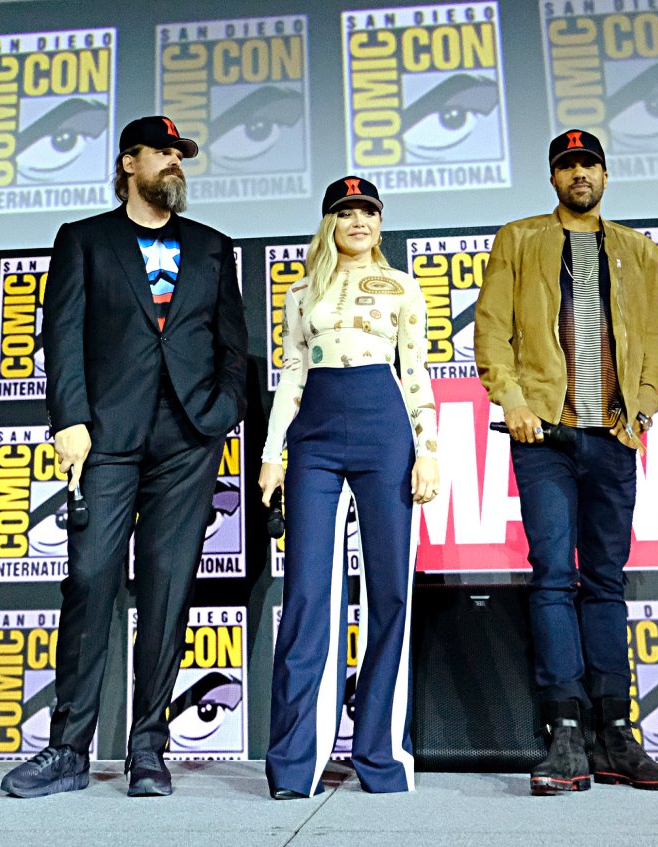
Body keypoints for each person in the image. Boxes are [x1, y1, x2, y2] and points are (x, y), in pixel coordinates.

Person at [0, 116, 248, 798]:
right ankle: (68, 749)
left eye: (180, 155)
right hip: (105, 435)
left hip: (188, 439)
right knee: (88, 581)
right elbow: (64, 333)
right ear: (128, 162)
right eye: (162, 153)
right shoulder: (84, 239)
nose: (175, 164)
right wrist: (69, 420)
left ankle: (148, 748)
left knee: (168, 592)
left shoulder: (210, 247)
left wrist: (222, 412)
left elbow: (233, 346)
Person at [474, 129, 658, 795]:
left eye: (588, 163)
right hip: (544, 439)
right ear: (553, 177)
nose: (579, 174)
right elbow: (491, 330)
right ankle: (564, 729)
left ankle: (614, 731)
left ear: (604, 173)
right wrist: (512, 401)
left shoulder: (636, 249)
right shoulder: (519, 238)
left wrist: (642, 411)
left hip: (613, 437)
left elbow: (654, 337)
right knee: (552, 578)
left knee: (606, 581)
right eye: (567, 165)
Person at [259, 176, 439, 799]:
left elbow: (415, 374)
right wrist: (271, 453)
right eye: (345, 211)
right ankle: (295, 765)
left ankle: (381, 757)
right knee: (310, 595)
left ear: (380, 223)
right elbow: (291, 373)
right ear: (330, 222)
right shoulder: (302, 291)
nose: (357, 220)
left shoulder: (404, 287)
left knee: (391, 593)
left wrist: (429, 454)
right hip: (314, 435)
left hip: (384, 430)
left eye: (367, 211)